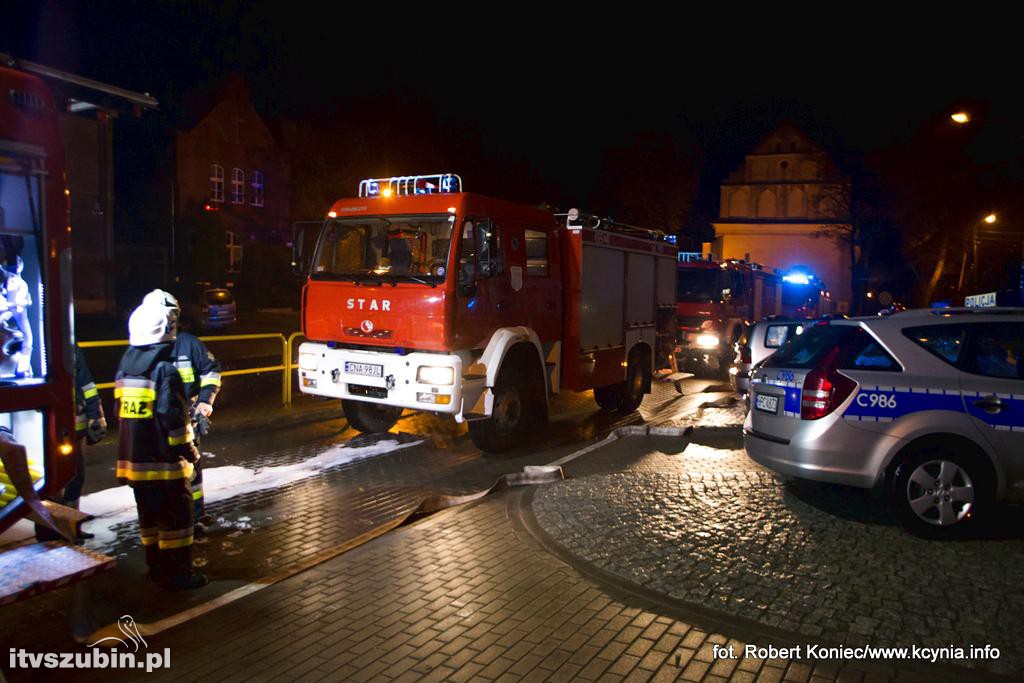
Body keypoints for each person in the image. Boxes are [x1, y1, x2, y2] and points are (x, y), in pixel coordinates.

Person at [115, 300, 206, 590]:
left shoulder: (124, 370)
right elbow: (173, 420)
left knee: (150, 521)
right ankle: (178, 575)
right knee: (176, 522)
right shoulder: (165, 371)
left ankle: (155, 569)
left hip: (136, 465)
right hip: (165, 466)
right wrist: (190, 451)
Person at [141, 289, 221, 528]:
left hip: (187, 423)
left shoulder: (189, 343)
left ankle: (196, 516)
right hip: (158, 428)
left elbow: (211, 371)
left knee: (192, 471)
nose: (170, 321)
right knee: (165, 478)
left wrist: (205, 403)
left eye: (173, 316)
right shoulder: (144, 348)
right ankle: (171, 521)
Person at [62, 344, 107, 539]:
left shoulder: (71, 346)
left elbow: (86, 383)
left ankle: (72, 527)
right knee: (56, 481)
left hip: (75, 425)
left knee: (75, 476)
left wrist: (95, 415)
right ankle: (54, 530)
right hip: (53, 426)